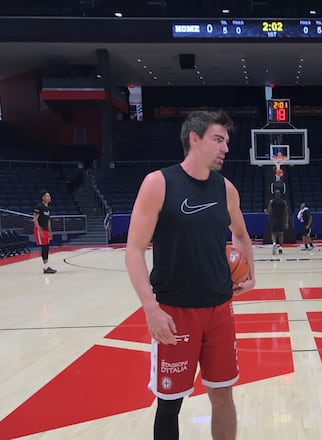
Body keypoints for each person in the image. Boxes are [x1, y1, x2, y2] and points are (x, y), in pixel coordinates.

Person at [125, 110, 256, 440]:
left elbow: (240, 234)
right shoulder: (159, 183)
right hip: (174, 311)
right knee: (170, 403)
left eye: (227, 140)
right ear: (193, 139)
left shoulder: (226, 188)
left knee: (223, 394)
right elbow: (134, 250)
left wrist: (250, 274)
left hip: (219, 309)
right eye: (218, 139)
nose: (225, 147)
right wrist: (151, 310)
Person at [33, 190, 56, 274]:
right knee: (44, 247)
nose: (49, 197)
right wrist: (39, 230)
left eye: (49, 196)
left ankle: (46, 266)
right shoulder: (39, 207)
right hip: (40, 229)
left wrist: (50, 231)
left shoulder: (48, 208)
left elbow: (48, 220)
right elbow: (35, 218)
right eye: (47, 196)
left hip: (45, 229)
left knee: (47, 247)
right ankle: (45, 268)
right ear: (43, 198)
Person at [265, 189, 288, 255]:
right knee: (281, 234)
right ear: (280, 194)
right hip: (281, 219)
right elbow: (286, 213)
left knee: (273, 233)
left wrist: (266, 212)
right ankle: (280, 247)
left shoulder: (271, 201)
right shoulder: (284, 202)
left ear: (275, 194)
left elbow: (269, 211)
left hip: (274, 219)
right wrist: (286, 222)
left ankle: (274, 243)